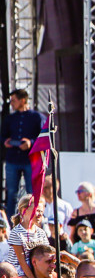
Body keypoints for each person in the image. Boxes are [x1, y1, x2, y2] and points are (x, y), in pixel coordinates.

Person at [2, 89, 44, 218]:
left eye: (14, 100)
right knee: (12, 193)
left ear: (23, 100)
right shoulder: (10, 118)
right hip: (13, 159)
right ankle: (10, 221)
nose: (12, 104)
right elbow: (2, 135)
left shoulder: (36, 117)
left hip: (30, 160)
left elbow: (43, 137)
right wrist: (6, 141)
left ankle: (32, 217)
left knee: (31, 192)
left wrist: (30, 142)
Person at [5, 194, 49, 278]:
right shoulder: (17, 232)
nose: (40, 214)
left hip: (37, 271)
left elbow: (47, 255)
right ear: (24, 210)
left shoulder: (41, 233)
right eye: (37, 211)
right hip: (19, 272)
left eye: (41, 211)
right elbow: (22, 263)